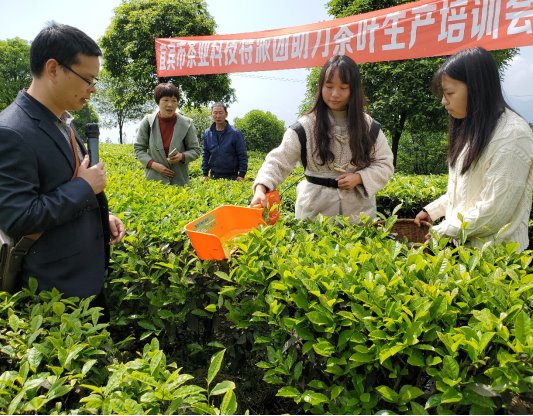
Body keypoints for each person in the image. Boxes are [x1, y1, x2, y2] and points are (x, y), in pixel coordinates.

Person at [0, 23, 125, 302]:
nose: (92, 89)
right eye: (88, 79)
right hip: (53, 293)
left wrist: (100, 219)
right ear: (53, 69)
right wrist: (83, 187)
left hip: (85, 281)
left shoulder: (62, 121)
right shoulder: (10, 131)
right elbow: (18, 218)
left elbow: (58, 188)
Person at [414, 47, 533, 252]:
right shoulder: (474, 129)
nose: (444, 101)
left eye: (449, 93)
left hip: (497, 261)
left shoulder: (513, 135)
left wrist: (444, 230)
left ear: (476, 88)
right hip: (465, 252)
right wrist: (432, 211)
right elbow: (464, 193)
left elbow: (495, 212)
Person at [251, 55, 394, 222]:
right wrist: (261, 188)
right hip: (314, 212)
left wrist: (359, 177)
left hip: (358, 213)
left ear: (353, 90)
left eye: (343, 87)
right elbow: (278, 160)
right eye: (329, 86)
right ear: (321, 87)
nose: (335, 94)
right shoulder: (305, 126)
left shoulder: (369, 127)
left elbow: (385, 163)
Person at [134, 82, 201, 186]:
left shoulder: (186, 123)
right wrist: (153, 165)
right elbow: (138, 149)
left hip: (179, 181)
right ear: (158, 102)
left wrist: (182, 156)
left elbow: (196, 150)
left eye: (174, 100)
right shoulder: (148, 121)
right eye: (165, 100)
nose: (170, 104)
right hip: (154, 181)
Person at [202, 102, 248, 181]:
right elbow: (205, 154)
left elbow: (242, 155)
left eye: (221, 113)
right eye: (215, 113)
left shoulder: (235, 133)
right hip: (213, 176)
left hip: (232, 177)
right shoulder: (207, 133)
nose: (218, 116)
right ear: (211, 114)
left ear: (226, 114)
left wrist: (242, 174)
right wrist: (205, 173)